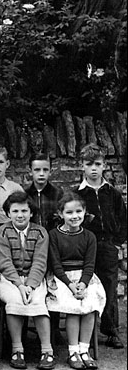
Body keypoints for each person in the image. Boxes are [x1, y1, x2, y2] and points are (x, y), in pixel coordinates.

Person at [46, 192, 106, 370]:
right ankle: (72, 351)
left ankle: (84, 349)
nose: (75, 216)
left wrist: (83, 283)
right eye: (69, 213)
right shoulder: (54, 235)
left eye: (78, 211)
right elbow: (56, 265)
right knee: (73, 306)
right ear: (60, 214)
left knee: (89, 304)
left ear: (85, 211)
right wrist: (70, 285)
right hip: (62, 278)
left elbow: (90, 264)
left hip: (83, 277)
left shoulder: (89, 236)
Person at [0, 191, 54, 370]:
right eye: (15, 211)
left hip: (34, 278)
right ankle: (17, 348)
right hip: (9, 279)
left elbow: (40, 262)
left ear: (31, 213)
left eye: (24, 211)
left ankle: (47, 350)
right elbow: (4, 262)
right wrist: (19, 285)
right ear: (8, 213)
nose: (20, 215)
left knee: (37, 301)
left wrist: (30, 284)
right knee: (14, 300)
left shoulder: (40, 232)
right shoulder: (3, 231)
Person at [76, 143, 127, 350]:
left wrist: (116, 243)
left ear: (104, 165)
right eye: (89, 164)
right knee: (84, 284)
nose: (94, 168)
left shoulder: (112, 193)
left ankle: (111, 330)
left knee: (109, 287)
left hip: (107, 245)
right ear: (82, 167)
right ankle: (83, 332)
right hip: (85, 246)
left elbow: (123, 220)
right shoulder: (78, 194)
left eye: (97, 164)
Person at [24, 152, 64, 341]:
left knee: (51, 286)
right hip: (30, 246)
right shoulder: (25, 194)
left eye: (45, 170)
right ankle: (23, 329)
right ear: (30, 171)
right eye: (37, 169)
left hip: (53, 247)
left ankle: (54, 330)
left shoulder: (58, 194)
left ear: (50, 171)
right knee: (30, 283)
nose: (41, 174)